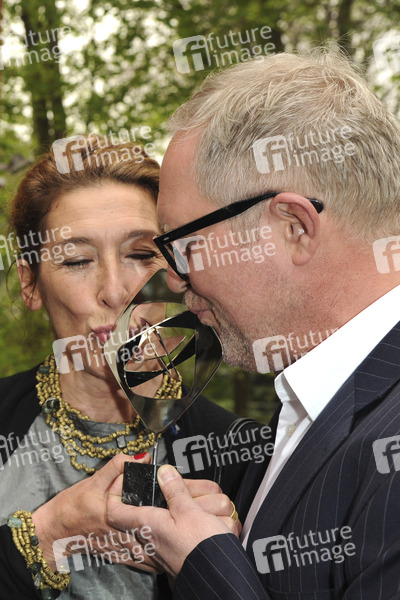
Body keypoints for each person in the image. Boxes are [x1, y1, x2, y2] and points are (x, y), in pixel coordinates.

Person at [106, 49, 400, 599]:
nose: (174, 280)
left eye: (183, 245)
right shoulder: (308, 401)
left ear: (293, 227)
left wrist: (202, 562)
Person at [0, 136, 257, 600]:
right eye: (77, 260)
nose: (116, 292)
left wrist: (211, 571)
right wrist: (49, 532)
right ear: (30, 284)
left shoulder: (245, 453)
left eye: (141, 255)